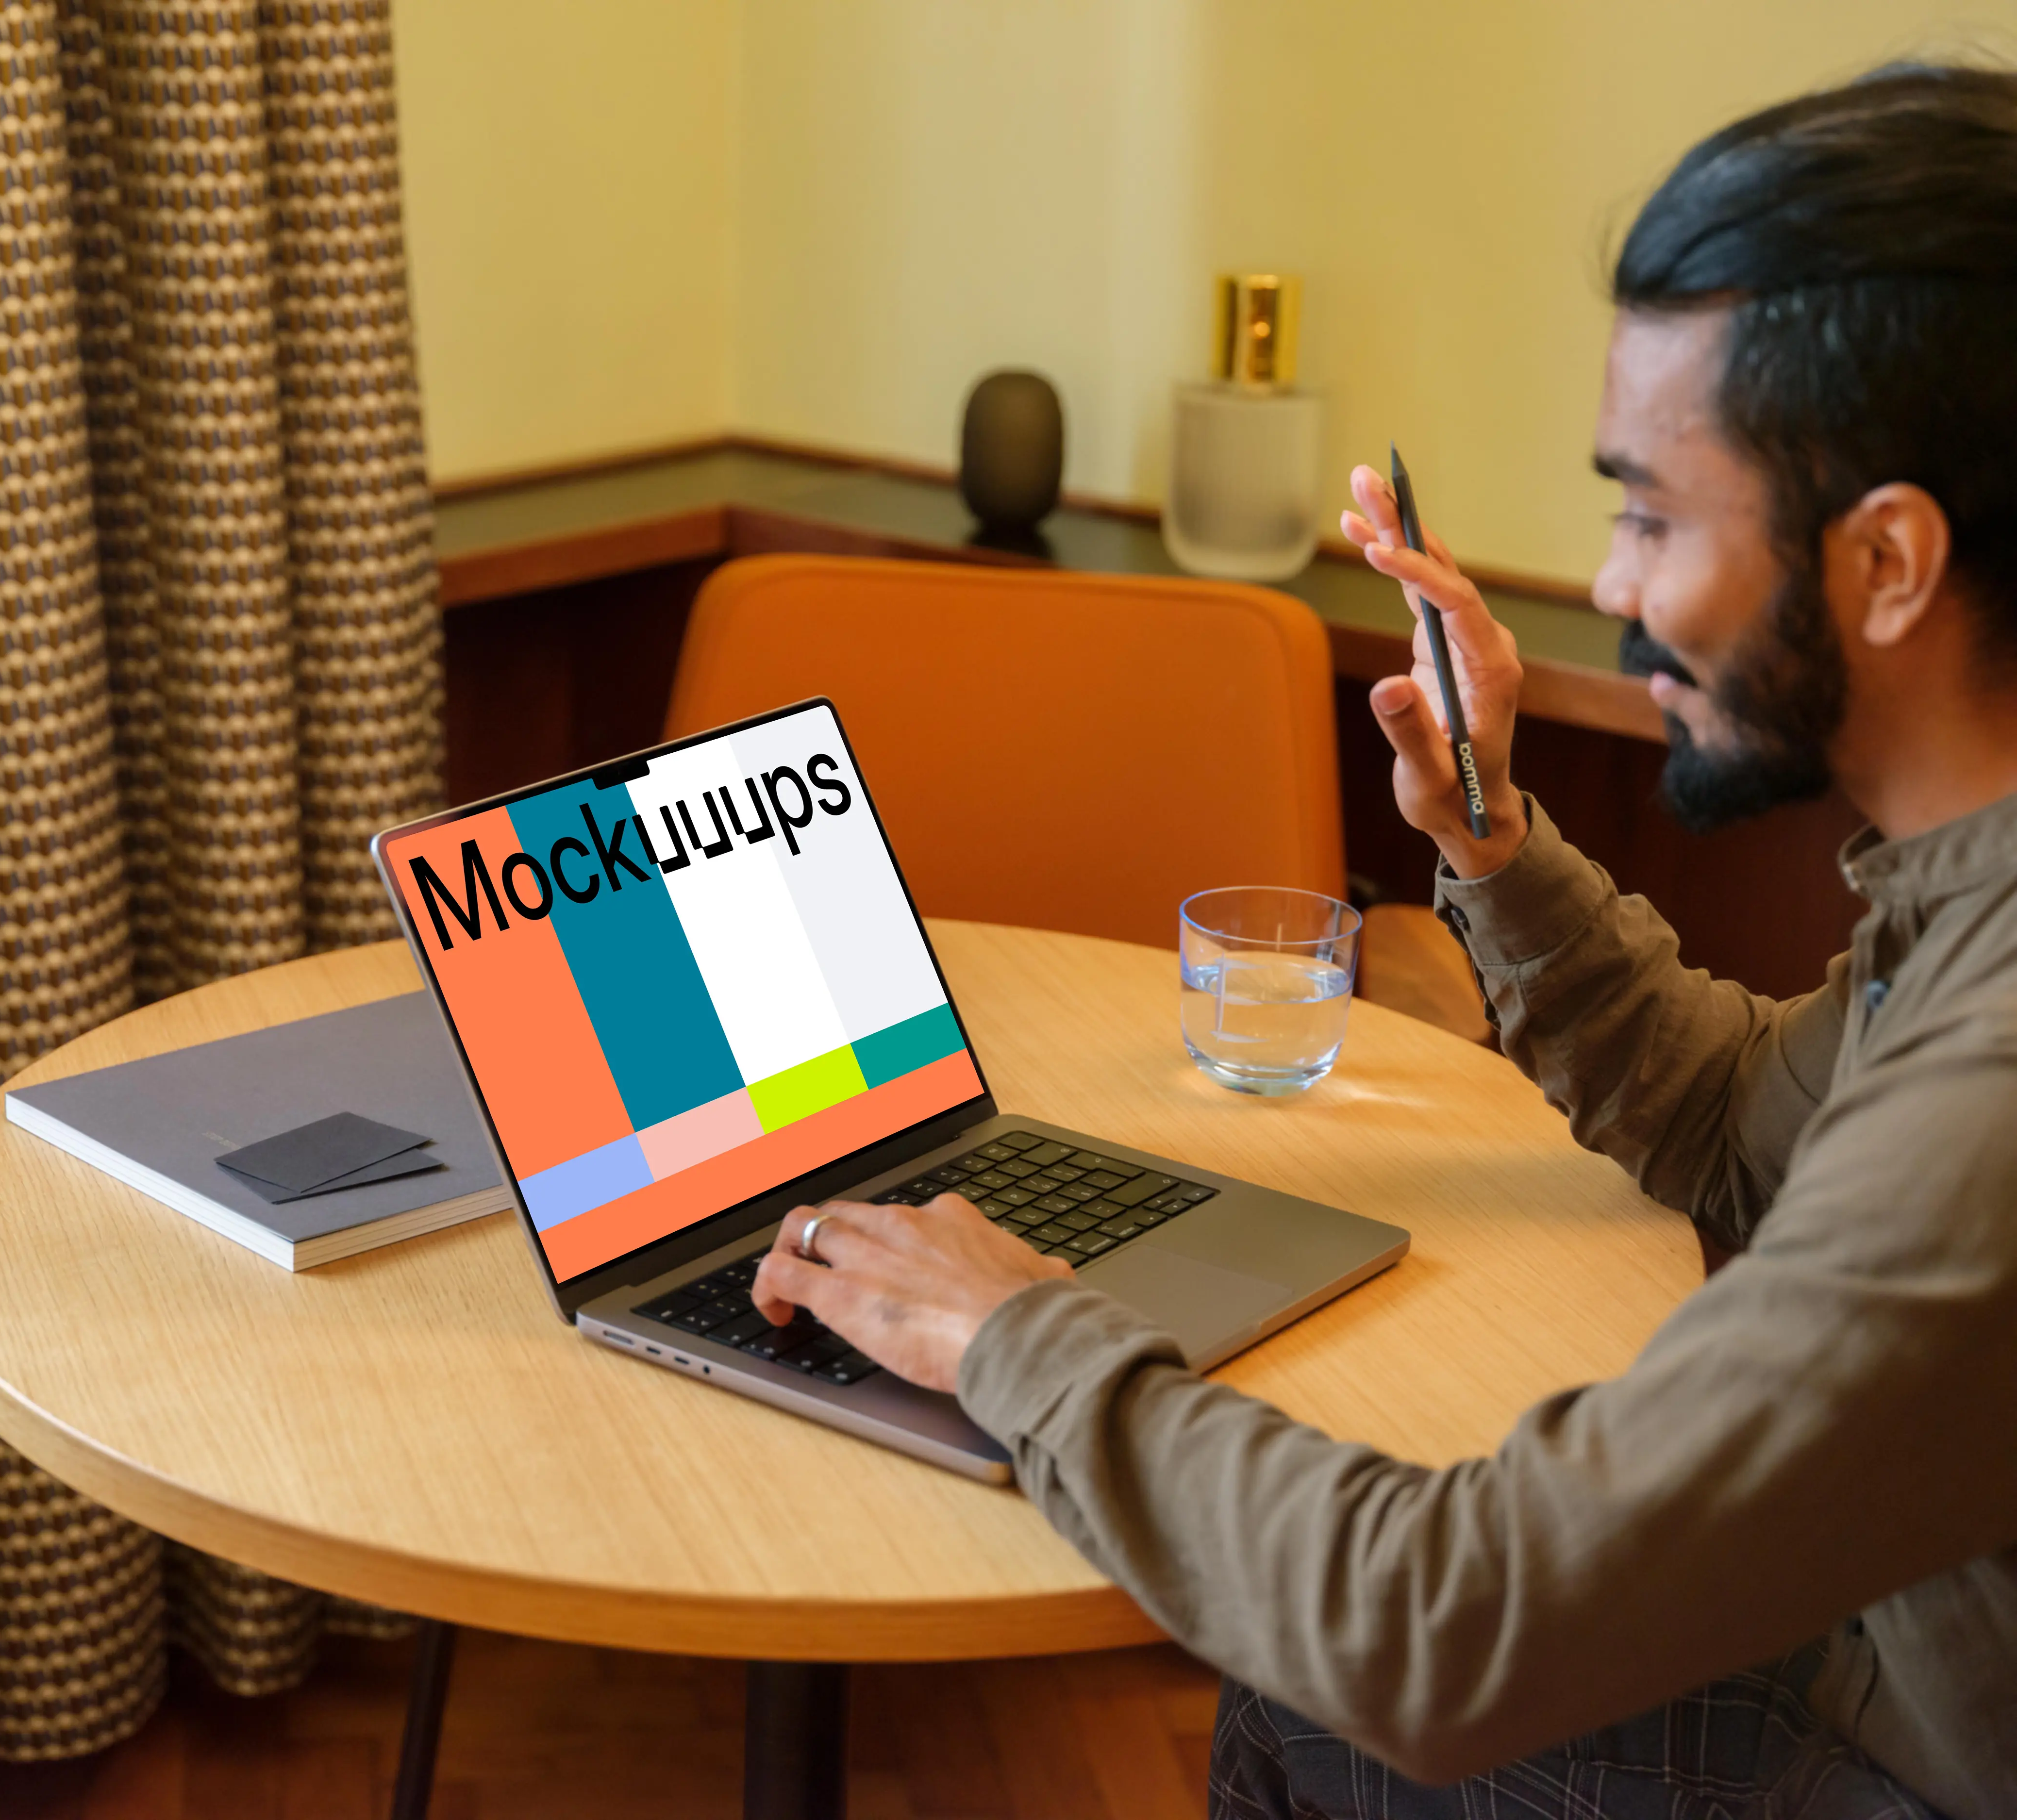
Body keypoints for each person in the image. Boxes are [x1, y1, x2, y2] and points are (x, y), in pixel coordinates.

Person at [750, 63, 2017, 1820]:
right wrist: (1491, 844)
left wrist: (1017, 1334)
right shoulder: (1964, 901)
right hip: (1900, 1668)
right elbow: (1748, 1128)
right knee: (1298, 1708)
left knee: (1339, 1682)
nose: (1617, 585)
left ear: (1887, 562)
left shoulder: (1992, 1083)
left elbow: (1444, 1622)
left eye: (1653, 513)